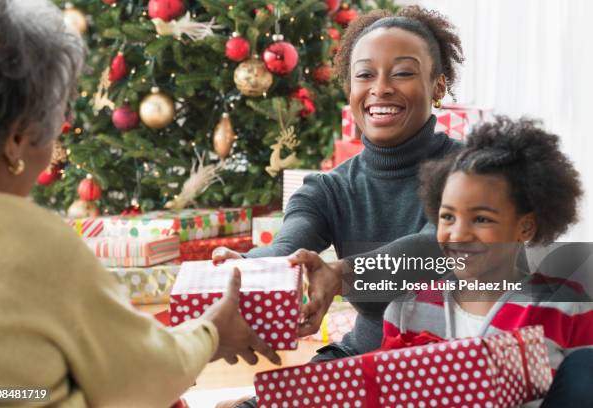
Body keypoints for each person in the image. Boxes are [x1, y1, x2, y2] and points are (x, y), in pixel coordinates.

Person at [0, 1, 279, 406]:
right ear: (17, 139)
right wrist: (211, 331)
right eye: (56, 123)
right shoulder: (38, 244)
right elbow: (140, 378)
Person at [214, 6, 465, 359]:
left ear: (438, 85)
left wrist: (342, 274)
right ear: (350, 88)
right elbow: (286, 250)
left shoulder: (474, 171)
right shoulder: (327, 189)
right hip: (365, 356)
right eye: (365, 75)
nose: (381, 88)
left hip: (460, 361)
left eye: (403, 73)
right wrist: (244, 266)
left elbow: (437, 247)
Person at [382, 117, 593, 407]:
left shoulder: (567, 308)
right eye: (447, 217)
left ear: (526, 227)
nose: (459, 234)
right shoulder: (405, 311)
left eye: (481, 219)